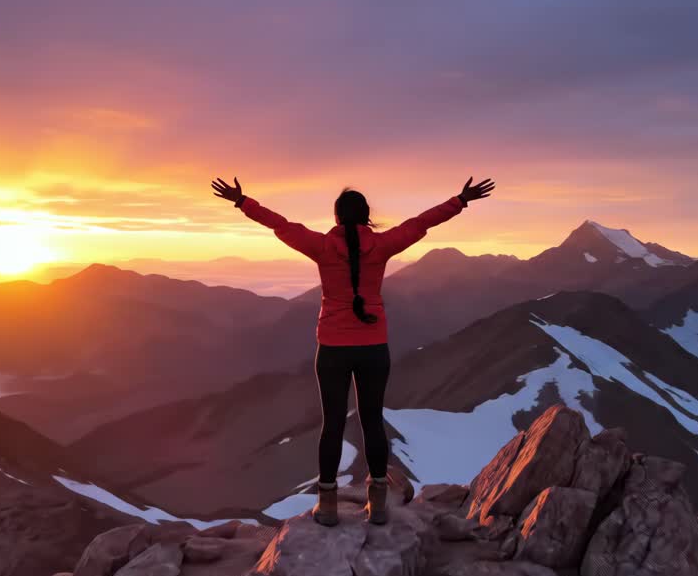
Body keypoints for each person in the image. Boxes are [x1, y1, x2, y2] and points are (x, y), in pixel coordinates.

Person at [211, 176, 495, 526]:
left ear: (337, 218)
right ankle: (377, 505)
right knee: (372, 420)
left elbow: (281, 224)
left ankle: (327, 506)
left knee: (331, 424)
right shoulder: (383, 244)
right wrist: (460, 200)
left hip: (332, 347)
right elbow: (420, 223)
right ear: (366, 218)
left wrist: (242, 201)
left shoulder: (321, 246)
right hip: (373, 346)